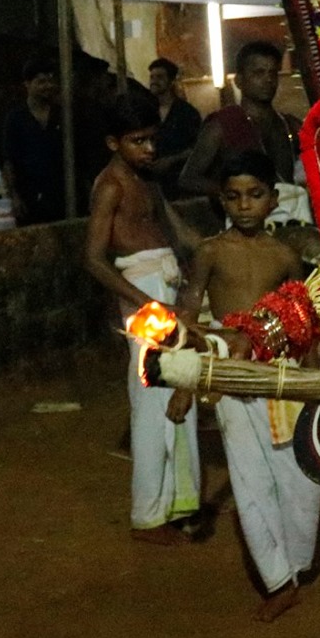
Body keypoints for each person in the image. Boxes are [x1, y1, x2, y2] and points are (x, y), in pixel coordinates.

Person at [170, 151, 320, 621]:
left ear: (274, 199)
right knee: (249, 477)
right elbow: (189, 316)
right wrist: (183, 379)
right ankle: (277, 579)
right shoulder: (211, 252)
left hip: (281, 372)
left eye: (255, 195)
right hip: (228, 372)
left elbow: (308, 320)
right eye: (234, 196)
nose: (244, 206)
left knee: (300, 478)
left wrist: (316, 385)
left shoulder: (285, 256)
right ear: (221, 200)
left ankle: (297, 561)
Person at [84, 87, 202, 545]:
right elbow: (93, 259)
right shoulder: (110, 186)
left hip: (165, 288)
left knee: (180, 390)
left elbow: (177, 231)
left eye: (152, 139)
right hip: (145, 296)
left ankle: (178, 503)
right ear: (114, 142)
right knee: (153, 404)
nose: (150, 149)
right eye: (138, 141)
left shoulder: (147, 179)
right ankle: (148, 515)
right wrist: (147, 303)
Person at [178, 42, 300, 198]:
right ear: (239, 81)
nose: (268, 79)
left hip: (291, 215)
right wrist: (237, 196)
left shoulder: (288, 124)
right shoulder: (222, 125)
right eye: (258, 73)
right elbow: (188, 178)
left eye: (273, 73)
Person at [2, 57, 67, 226]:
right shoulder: (15, 118)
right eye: (41, 81)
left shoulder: (63, 115)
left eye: (51, 81)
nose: (48, 86)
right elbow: (9, 161)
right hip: (29, 198)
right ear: (27, 84)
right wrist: (14, 197)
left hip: (62, 197)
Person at [147, 57, 204, 193]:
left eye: (160, 77)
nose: (154, 81)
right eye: (152, 77)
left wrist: (171, 161)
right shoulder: (145, 110)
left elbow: (197, 147)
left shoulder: (187, 113)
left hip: (177, 182)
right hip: (151, 182)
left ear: (171, 81)